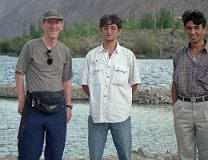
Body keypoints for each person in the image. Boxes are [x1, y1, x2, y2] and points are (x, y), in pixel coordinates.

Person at [171, 10, 208, 160]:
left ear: (204, 29)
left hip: (206, 108)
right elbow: (174, 83)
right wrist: (176, 106)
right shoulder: (178, 54)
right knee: (185, 156)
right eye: (189, 28)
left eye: (197, 28)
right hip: (182, 109)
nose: (193, 32)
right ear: (185, 29)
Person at [81, 14, 141, 160]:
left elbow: (134, 84)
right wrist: (97, 97)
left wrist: (121, 99)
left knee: (125, 156)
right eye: (105, 28)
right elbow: (85, 85)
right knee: (94, 157)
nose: (109, 31)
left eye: (113, 28)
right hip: (97, 116)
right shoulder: (91, 56)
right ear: (101, 30)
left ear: (119, 31)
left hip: (120, 116)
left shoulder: (128, 56)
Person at [15, 9, 73, 160]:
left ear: (62, 26)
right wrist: (21, 101)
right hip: (33, 110)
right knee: (28, 154)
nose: (53, 26)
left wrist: (68, 106)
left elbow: (67, 80)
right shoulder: (30, 46)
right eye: (49, 22)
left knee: (55, 154)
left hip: (58, 111)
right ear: (43, 24)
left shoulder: (65, 51)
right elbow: (19, 73)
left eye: (57, 22)